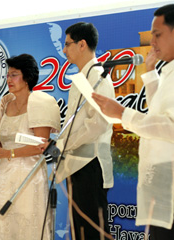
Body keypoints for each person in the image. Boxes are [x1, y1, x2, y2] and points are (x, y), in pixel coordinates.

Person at [92, 4, 174, 240]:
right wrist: (149, 72)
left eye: (157, 35)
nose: (153, 42)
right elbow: (158, 110)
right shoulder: (168, 70)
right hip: (161, 193)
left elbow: (169, 127)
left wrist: (123, 114)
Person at [0, 54, 61, 240]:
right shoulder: (6, 104)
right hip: (4, 176)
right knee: (3, 227)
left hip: (29, 176)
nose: (9, 79)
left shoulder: (40, 102)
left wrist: (7, 153)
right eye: (7, 75)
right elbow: (2, 141)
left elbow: (41, 145)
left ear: (27, 77)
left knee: (27, 226)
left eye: (14, 75)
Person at [45, 22, 115, 240]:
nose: (64, 50)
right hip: (76, 164)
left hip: (91, 164)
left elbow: (98, 124)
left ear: (82, 44)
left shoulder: (98, 76)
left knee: (94, 231)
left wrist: (64, 144)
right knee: (80, 230)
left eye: (67, 44)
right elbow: (74, 123)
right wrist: (60, 144)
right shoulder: (81, 78)